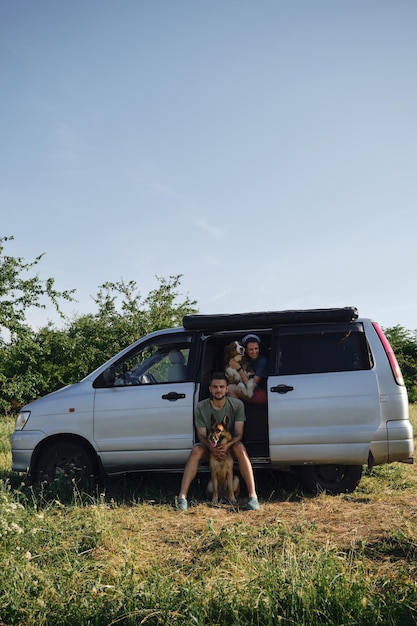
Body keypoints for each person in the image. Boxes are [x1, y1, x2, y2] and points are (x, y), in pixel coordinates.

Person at [177, 372, 260, 511]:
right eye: (215, 387)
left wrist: (227, 446)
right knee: (196, 450)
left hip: (230, 444)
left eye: (222, 386)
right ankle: (182, 498)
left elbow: (239, 434)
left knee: (240, 448)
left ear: (227, 389)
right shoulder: (201, 407)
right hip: (209, 445)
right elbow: (202, 435)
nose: (218, 390)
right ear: (210, 389)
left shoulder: (237, 405)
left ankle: (253, 497)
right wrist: (212, 448)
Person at [227, 333, 268, 403]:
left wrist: (239, 369)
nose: (254, 352)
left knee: (230, 389)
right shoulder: (243, 360)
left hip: (261, 392)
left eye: (256, 348)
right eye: (251, 349)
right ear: (245, 350)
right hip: (246, 388)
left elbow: (252, 386)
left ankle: (237, 412)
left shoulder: (263, 361)